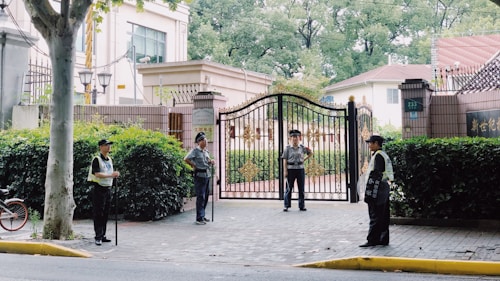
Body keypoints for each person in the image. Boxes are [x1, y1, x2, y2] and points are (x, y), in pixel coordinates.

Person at [359, 135, 394, 247]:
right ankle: (383, 239)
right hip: (383, 187)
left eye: (370, 143)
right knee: (383, 214)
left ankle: (372, 240)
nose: (369, 145)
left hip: (378, 188)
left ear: (376, 143)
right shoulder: (383, 155)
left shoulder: (378, 156)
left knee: (375, 214)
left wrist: (370, 193)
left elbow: (376, 174)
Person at [88, 139, 120, 246]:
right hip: (99, 188)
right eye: (106, 145)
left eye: (109, 145)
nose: (108, 147)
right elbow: (97, 174)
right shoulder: (97, 159)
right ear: (101, 147)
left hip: (108, 188)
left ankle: (103, 235)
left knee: (106, 212)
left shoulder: (109, 159)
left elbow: (109, 172)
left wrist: (114, 176)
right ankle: (98, 236)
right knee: (98, 213)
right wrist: (111, 175)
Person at [184, 132, 215, 225]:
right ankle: (199, 218)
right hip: (199, 176)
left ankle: (202, 215)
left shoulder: (205, 151)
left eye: (205, 139)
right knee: (201, 197)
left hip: (207, 176)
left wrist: (211, 162)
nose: (205, 141)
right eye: (203, 140)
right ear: (199, 142)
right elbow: (186, 159)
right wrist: (194, 165)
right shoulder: (195, 151)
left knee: (205, 197)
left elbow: (207, 161)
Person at [282, 129, 313, 212]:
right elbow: (284, 159)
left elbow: (310, 153)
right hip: (291, 169)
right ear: (290, 138)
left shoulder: (302, 148)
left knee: (301, 188)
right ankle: (286, 205)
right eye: (293, 137)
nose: (295, 139)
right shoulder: (287, 148)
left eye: (296, 137)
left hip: (300, 169)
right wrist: (285, 171)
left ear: (299, 138)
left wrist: (304, 159)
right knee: (289, 188)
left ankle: (301, 206)